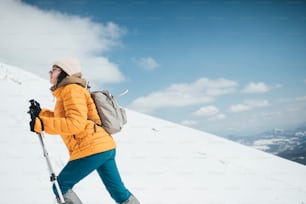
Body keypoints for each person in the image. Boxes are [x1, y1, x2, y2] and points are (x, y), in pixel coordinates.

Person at [28, 58, 140, 204]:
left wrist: (42, 124)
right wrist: (41, 114)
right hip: (103, 147)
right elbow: (64, 118)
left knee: (61, 186)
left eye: (54, 69)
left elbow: (75, 124)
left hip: (92, 148)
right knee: (119, 192)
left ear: (65, 73)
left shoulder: (71, 90)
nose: (50, 72)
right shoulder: (70, 90)